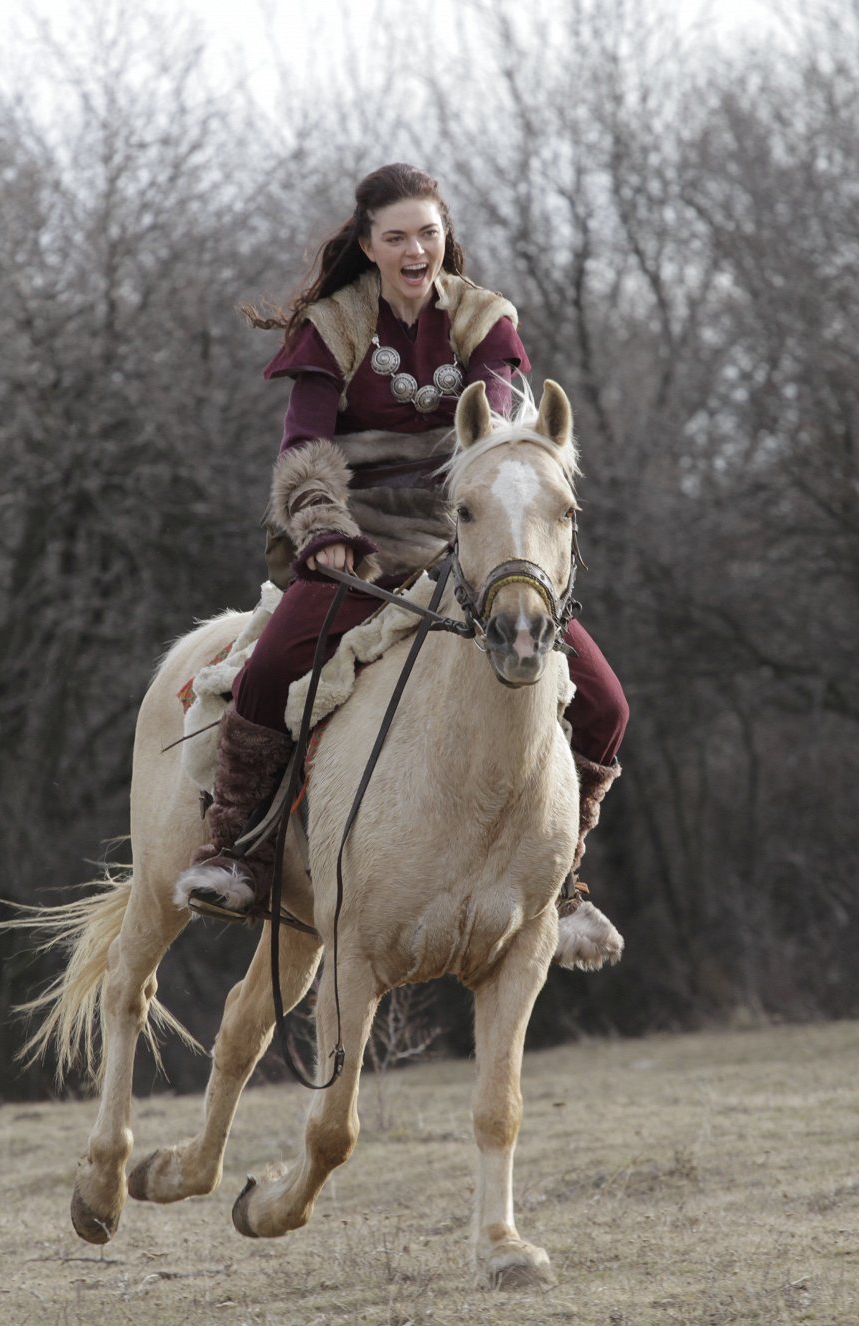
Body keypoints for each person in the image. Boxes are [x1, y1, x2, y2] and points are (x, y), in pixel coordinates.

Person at [179, 163, 628, 953]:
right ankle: (233, 851)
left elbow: (495, 411)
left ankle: (559, 881)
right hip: (355, 544)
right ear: (368, 245)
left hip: (468, 544)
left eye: (428, 232)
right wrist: (322, 527)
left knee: (605, 705)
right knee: (270, 668)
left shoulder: (485, 319)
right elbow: (305, 448)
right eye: (396, 237)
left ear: (443, 236)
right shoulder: (333, 325)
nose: (415, 248)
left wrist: (494, 485)